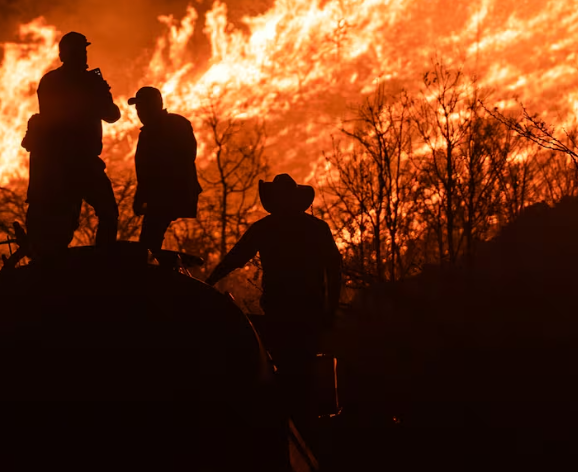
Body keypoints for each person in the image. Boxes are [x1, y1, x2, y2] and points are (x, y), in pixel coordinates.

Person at [205, 173, 342, 419]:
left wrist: (209, 282)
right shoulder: (316, 228)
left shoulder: (266, 228)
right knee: (303, 370)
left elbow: (235, 258)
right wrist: (330, 310)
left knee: (287, 368)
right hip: (307, 312)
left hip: (282, 311)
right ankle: (302, 420)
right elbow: (334, 271)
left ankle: (291, 420)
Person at [22, 31, 122, 259]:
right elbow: (112, 115)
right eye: (81, 51)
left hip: (59, 164)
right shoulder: (88, 82)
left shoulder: (50, 81)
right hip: (79, 162)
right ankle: (103, 261)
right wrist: (101, 92)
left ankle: (57, 264)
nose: (84, 55)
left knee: (67, 222)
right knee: (106, 212)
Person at [128, 86, 202, 266]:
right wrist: (141, 196)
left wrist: (144, 196)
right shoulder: (157, 129)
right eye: (138, 108)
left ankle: (152, 272)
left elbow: (185, 157)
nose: (139, 112)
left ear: (154, 105)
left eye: (142, 107)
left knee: (148, 242)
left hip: (167, 195)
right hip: (162, 196)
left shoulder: (173, 125)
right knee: (150, 240)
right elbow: (146, 173)